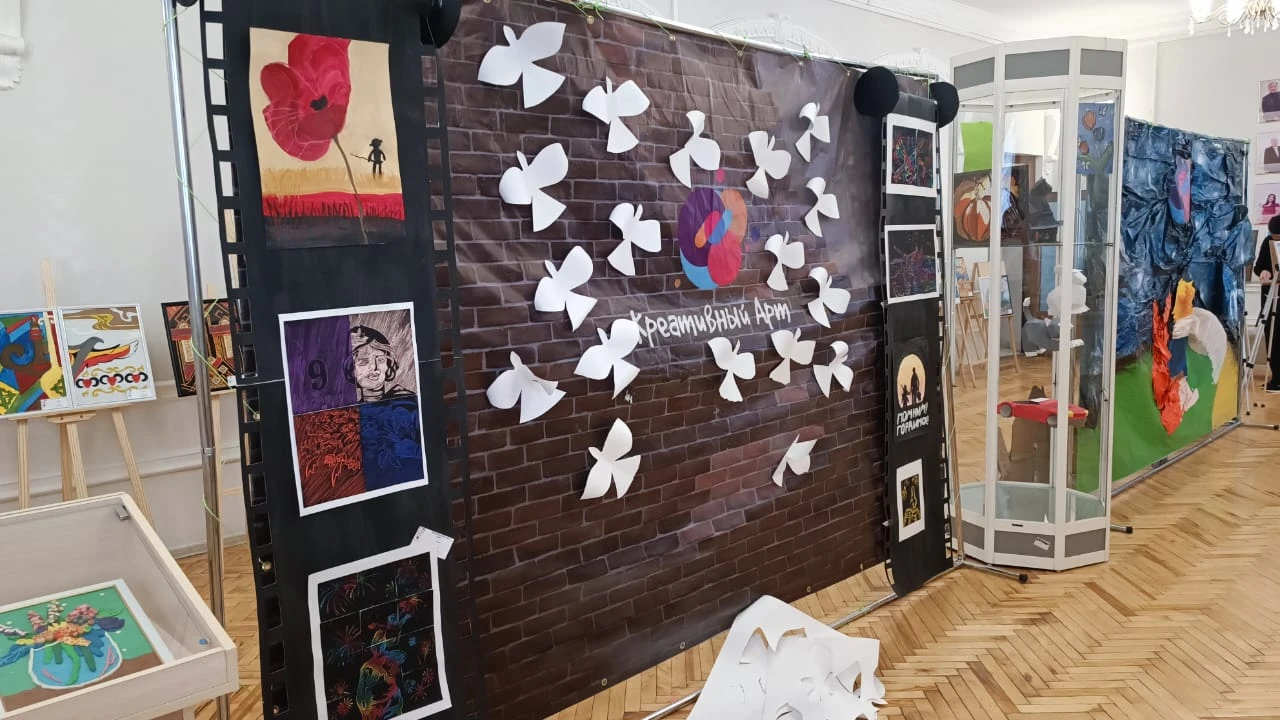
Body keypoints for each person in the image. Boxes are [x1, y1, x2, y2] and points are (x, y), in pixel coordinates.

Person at [345, 326, 415, 402]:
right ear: (352, 368)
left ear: (388, 365)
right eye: (364, 362)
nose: (374, 367)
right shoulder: (350, 408)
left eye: (380, 360)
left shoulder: (403, 401)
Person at [1253, 216, 1280, 393]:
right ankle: (1276, 376)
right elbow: (1258, 266)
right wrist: (1263, 271)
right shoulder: (1267, 242)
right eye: (1274, 237)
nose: (1275, 240)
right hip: (1269, 294)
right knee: (1271, 335)